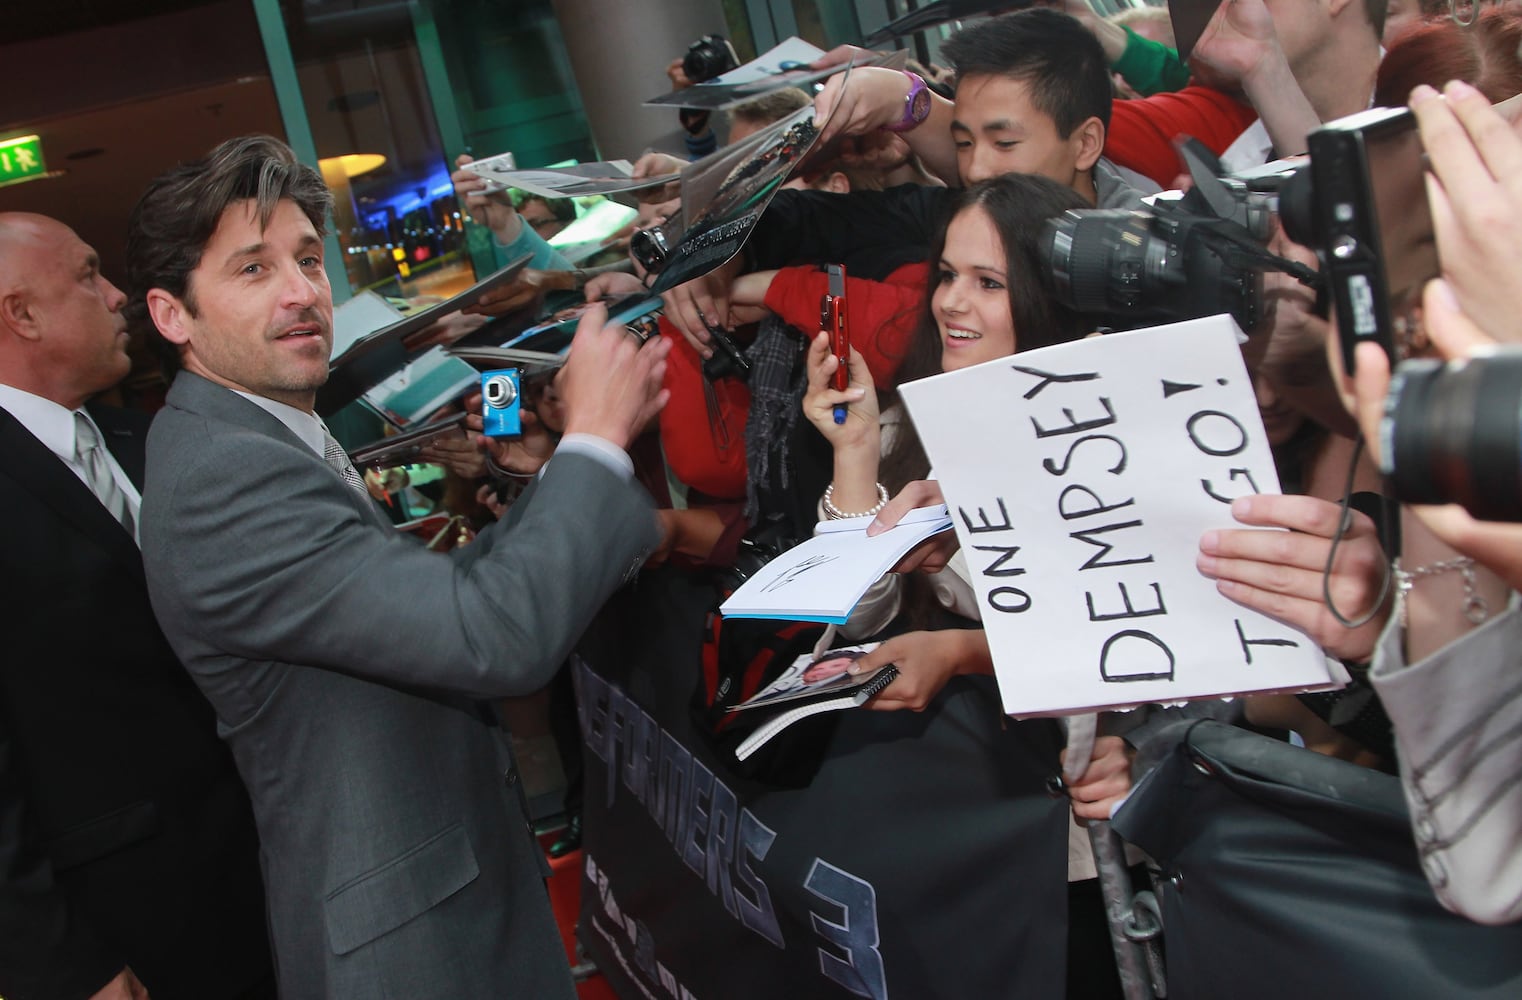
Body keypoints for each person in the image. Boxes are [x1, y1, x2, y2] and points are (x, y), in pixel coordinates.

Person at [126, 135, 669, 998]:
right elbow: (491, 636)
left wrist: (546, 478)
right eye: (254, 269)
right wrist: (595, 440)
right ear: (172, 315)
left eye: (309, 259)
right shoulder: (223, 474)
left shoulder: (260, 434)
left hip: (442, 902)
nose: (303, 292)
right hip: (412, 947)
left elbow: (442, 609)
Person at [0, 213, 273, 999]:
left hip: (269, 875)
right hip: (132, 926)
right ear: (22, 314)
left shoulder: (149, 439)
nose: (118, 295)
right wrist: (64, 964)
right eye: (88, 275)